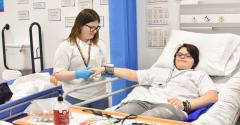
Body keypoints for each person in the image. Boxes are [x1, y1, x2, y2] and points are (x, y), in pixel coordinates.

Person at [90, 43, 218, 120]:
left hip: (169, 107)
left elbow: (212, 96)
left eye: (188, 55)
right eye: (179, 54)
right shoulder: (160, 71)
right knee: (117, 117)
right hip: (142, 102)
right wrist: (105, 69)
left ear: (194, 61)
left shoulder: (199, 75)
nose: (182, 57)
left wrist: (186, 105)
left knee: (147, 120)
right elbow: (133, 74)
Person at [52, 9, 108, 109]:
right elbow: (58, 75)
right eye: (91, 27)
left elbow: (104, 66)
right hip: (76, 96)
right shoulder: (66, 46)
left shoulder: (100, 44)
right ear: (80, 25)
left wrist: (107, 70)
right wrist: (76, 74)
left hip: (100, 95)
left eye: (97, 28)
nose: (94, 31)